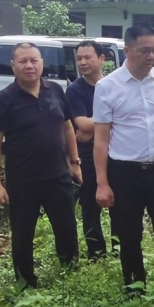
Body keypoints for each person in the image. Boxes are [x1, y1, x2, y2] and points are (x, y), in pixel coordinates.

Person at [93, 25, 154, 292]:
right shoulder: (107, 87)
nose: (151, 56)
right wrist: (102, 183)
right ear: (127, 50)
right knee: (128, 234)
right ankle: (135, 287)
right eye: (144, 50)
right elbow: (101, 139)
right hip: (125, 173)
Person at [0, 43, 82, 289]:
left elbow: (68, 127)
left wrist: (75, 162)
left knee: (67, 228)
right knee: (22, 234)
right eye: (22, 61)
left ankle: (71, 275)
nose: (29, 66)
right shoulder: (3, 100)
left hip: (58, 175)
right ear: (13, 66)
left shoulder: (56, 90)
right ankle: (25, 283)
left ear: (42, 62)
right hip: (23, 179)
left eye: (34, 60)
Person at [66, 40, 118, 260]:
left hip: (115, 152)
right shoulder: (75, 90)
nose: (82, 62)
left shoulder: (114, 85)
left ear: (101, 59)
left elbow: (124, 118)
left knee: (119, 204)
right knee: (90, 204)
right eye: (79, 58)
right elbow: (81, 124)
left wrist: (93, 129)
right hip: (87, 155)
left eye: (87, 57)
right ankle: (96, 254)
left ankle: (120, 250)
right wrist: (108, 123)